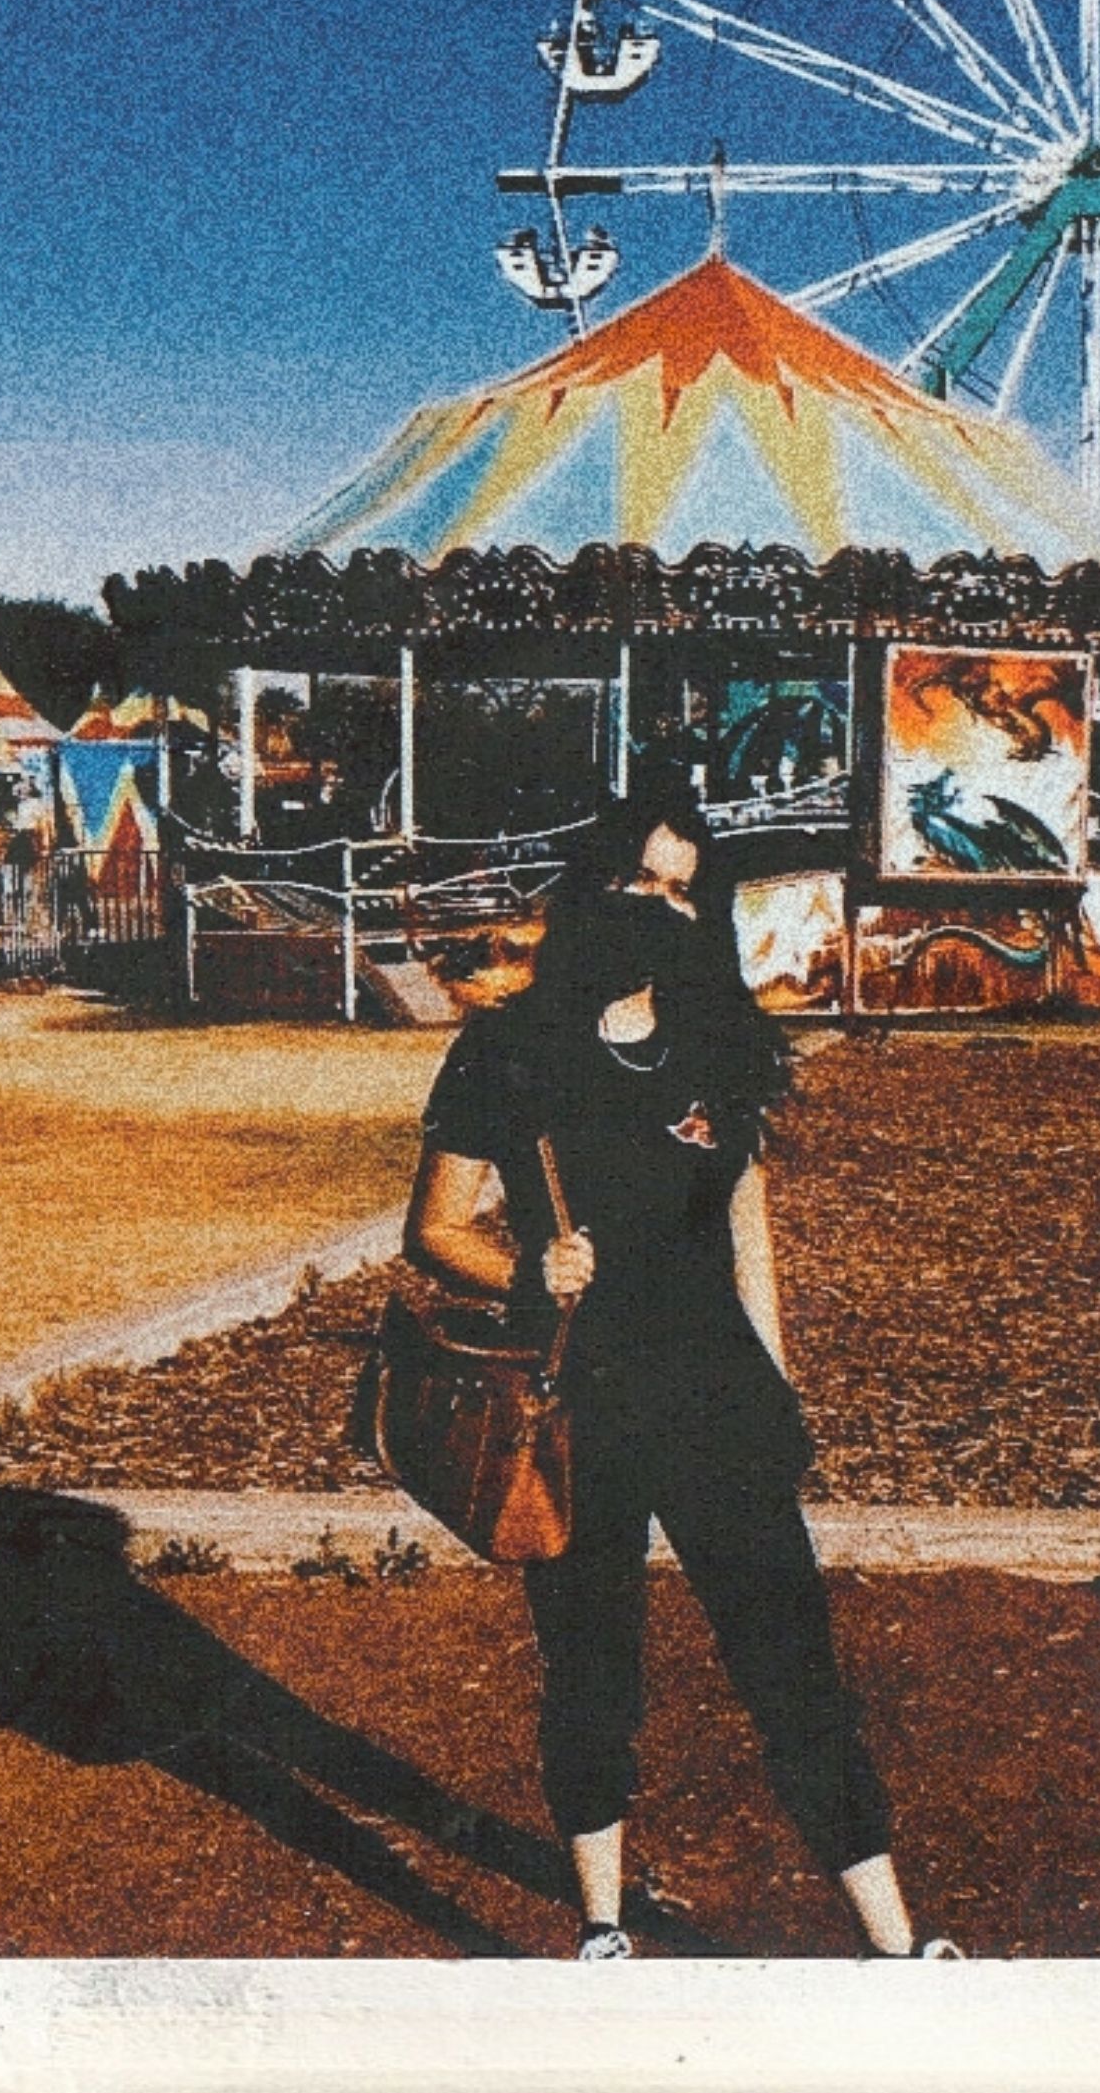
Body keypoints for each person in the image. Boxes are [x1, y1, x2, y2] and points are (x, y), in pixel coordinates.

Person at [403, 795, 957, 1963]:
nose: (658, 909)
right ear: (590, 890)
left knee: (792, 1665)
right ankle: (602, 1926)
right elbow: (437, 1229)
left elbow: (745, 1218)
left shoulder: (714, 1036)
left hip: (714, 1394)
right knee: (591, 1667)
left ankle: (899, 1949)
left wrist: (775, 1374)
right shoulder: (508, 1050)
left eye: (680, 891)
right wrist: (527, 1270)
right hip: (580, 1403)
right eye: (638, 883)